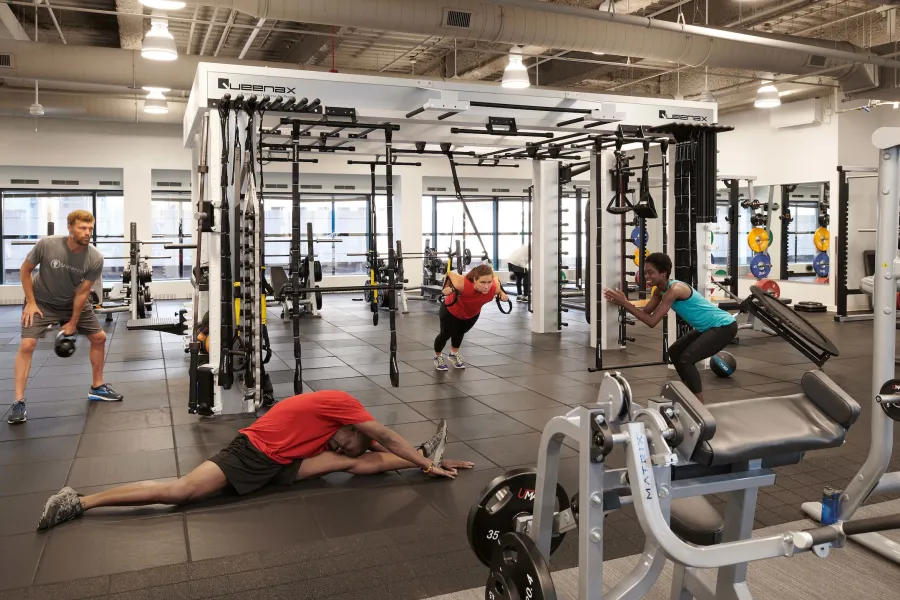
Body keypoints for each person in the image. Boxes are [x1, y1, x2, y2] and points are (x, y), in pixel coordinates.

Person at [36, 390, 472, 530]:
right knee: (181, 493)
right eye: (344, 442)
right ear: (355, 428)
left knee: (355, 465)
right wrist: (415, 458)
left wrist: (426, 461)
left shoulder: (344, 433)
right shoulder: (344, 405)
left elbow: (373, 451)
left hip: (284, 464)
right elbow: (382, 437)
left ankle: (426, 456)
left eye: (340, 445)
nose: (338, 447)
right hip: (249, 455)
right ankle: (81, 500)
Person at [7, 210, 122, 425]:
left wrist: (73, 322)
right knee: (27, 345)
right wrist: (30, 302)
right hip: (41, 301)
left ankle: (97, 387)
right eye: (82, 228)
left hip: (72, 301)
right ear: (70, 228)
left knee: (99, 338)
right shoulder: (47, 245)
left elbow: (82, 293)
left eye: (90, 229)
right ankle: (18, 401)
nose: (87, 233)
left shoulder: (95, 258)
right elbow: (25, 270)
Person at [603, 253, 737, 403]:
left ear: (663, 273)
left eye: (651, 272)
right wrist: (623, 302)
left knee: (686, 359)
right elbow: (645, 313)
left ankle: (699, 405)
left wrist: (625, 303)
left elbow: (652, 321)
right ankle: (688, 393)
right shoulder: (658, 291)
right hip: (707, 327)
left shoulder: (674, 290)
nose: (646, 276)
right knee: (674, 352)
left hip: (723, 326)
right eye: (646, 272)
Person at [434, 263, 508, 371]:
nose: (486, 286)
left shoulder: (494, 287)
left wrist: (502, 293)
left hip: (471, 314)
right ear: (474, 280)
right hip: (451, 311)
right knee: (445, 335)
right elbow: (449, 274)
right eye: (482, 282)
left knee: (460, 332)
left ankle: (453, 355)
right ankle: (437, 357)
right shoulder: (462, 283)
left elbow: (497, 283)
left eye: (489, 282)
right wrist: (446, 288)